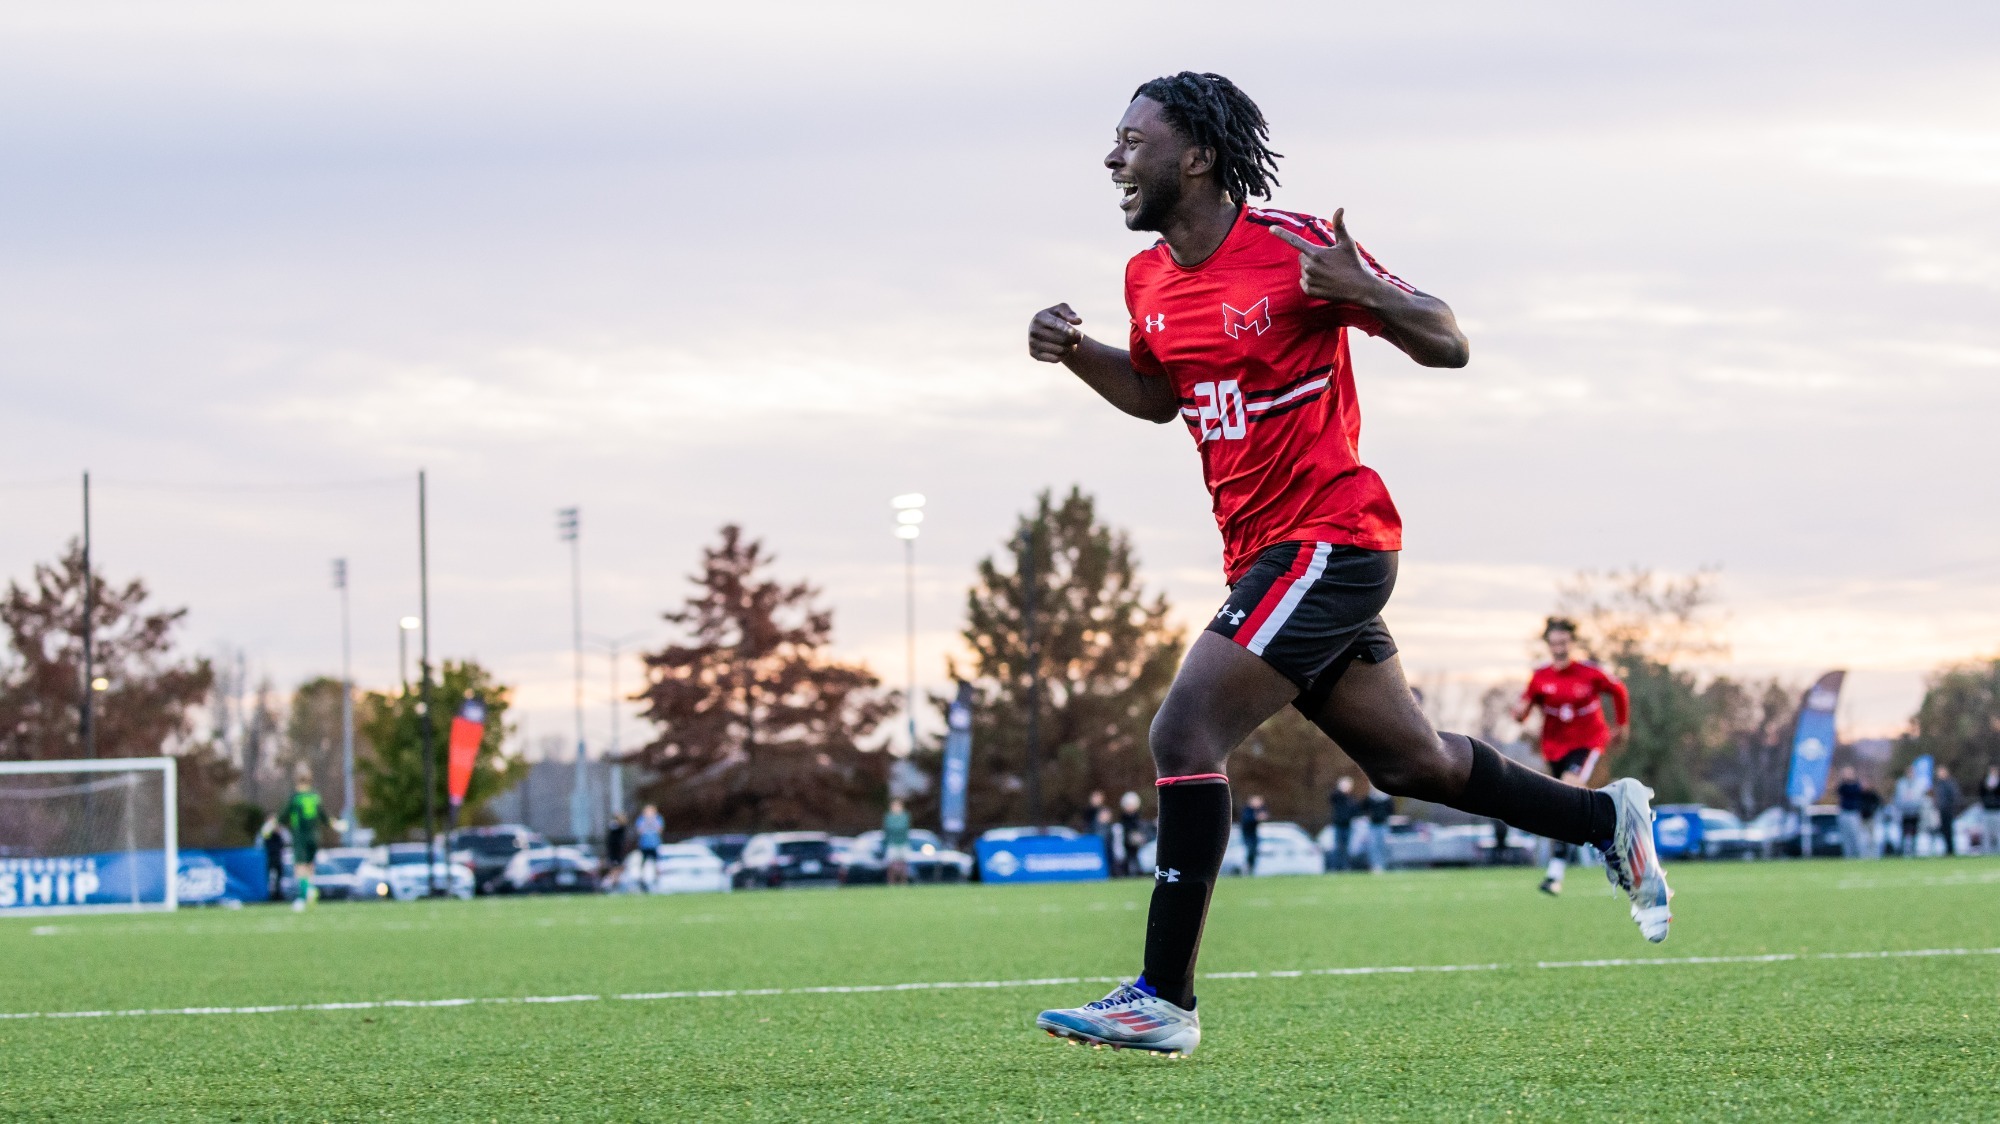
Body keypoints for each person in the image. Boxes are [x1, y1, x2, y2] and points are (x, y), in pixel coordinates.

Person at [1029, 72, 1670, 1058]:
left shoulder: (1294, 248)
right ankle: (1602, 817)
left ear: (1195, 156)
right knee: (1413, 762)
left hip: (1333, 539)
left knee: (1185, 728)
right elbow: (1161, 397)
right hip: (1266, 557)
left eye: (1131, 140)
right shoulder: (1145, 278)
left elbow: (1448, 341)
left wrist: (1365, 290)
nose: (1113, 157)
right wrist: (1077, 351)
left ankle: (1163, 997)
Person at [1510, 617, 1630, 896]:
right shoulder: (1540, 677)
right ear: (1548, 645)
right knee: (1565, 805)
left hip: (1588, 743)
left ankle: (1556, 870)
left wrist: (1621, 725)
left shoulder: (1590, 673)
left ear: (1572, 643)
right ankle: (1613, 847)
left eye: (1563, 643)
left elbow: (1619, 691)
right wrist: (1519, 713)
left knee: (1568, 793)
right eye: (1554, 644)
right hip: (1554, 749)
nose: (1559, 649)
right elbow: (1523, 708)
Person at [278, 766, 345, 911]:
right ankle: (306, 896)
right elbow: (324, 816)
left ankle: (306, 893)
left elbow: (283, 816)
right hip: (314, 836)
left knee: (300, 868)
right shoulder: (315, 796)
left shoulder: (295, 797)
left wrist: (271, 825)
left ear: (296, 779)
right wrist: (337, 825)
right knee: (309, 867)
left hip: (300, 836)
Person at [1893, 765, 1928, 856]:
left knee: (1914, 832)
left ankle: (1913, 851)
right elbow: (1897, 798)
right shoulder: (1901, 783)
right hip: (1904, 812)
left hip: (1915, 811)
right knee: (1903, 832)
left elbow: (1921, 797)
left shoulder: (1919, 784)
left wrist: (1918, 805)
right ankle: (1901, 852)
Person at [1361, 784, 1395, 873]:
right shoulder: (1370, 799)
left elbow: (1391, 810)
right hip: (1373, 825)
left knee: (1383, 846)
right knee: (1373, 847)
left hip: (1383, 825)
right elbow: (1363, 808)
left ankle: (1383, 865)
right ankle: (1375, 866)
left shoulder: (1387, 799)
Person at [1327, 776, 1358, 872]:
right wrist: (1340, 790)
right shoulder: (1338, 796)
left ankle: (1345, 867)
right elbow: (1332, 797)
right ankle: (1334, 867)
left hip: (1348, 825)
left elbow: (1355, 810)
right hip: (1338, 825)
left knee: (1347, 848)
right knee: (1337, 847)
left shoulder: (1351, 798)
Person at [1835, 767, 1867, 859]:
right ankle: (1848, 856)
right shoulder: (1842, 786)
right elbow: (1839, 790)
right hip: (1844, 812)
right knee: (1846, 837)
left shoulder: (1856, 786)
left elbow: (1856, 791)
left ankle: (1860, 855)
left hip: (1853, 813)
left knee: (1856, 836)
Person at [256, 813, 289, 903]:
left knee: (279, 876)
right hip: (267, 857)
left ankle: (278, 894)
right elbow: (259, 843)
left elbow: (288, 840)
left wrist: (279, 831)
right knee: (267, 877)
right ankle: (267, 895)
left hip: (278, 856)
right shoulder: (265, 830)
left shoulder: (281, 830)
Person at [881, 798, 912, 886]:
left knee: (904, 864)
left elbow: (902, 827)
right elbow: (888, 829)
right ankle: (891, 883)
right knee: (891, 864)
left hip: (903, 843)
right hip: (892, 843)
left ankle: (903, 883)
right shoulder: (889, 817)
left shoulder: (905, 816)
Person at [1933, 766, 1962, 857]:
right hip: (1941, 811)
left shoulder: (1949, 783)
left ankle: (1951, 850)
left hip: (1948, 811)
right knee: (1944, 831)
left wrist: (1951, 807)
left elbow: (1954, 796)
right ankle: (1947, 849)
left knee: (1949, 831)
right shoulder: (1938, 784)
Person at [634, 804, 664, 888]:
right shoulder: (641, 819)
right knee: (643, 863)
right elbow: (639, 830)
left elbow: (660, 830)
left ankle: (656, 880)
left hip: (654, 844)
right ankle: (642, 880)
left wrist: (652, 821)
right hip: (644, 845)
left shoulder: (658, 818)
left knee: (656, 863)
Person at [1118, 792, 1147, 877]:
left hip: (1138, 845)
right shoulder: (1123, 819)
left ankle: (1139, 870)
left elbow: (1142, 829)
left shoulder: (1138, 818)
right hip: (1127, 844)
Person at [1239, 795, 1267, 876]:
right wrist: (1256, 818)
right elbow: (1247, 820)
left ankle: (1251, 868)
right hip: (1247, 834)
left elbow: (1264, 814)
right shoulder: (1247, 810)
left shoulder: (1257, 810)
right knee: (1250, 850)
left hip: (1254, 834)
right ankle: (1247, 867)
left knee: (1254, 851)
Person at [604, 813, 629, 891]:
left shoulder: (621, 828)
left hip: (619, 852)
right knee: (614, 870)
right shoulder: (614, 828)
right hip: (614, 853)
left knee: (618, 870)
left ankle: (615, 885)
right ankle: (611, 886)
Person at [1980, 765, 2000, 856]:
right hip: (1987, 810)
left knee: (1998, 832)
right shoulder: (1984, 782)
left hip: (1997, 810)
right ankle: (1987, 852)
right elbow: (1981, 793)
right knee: (1987, 833)